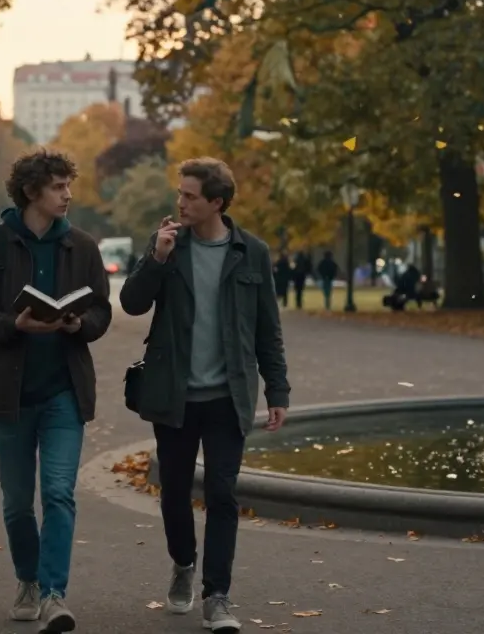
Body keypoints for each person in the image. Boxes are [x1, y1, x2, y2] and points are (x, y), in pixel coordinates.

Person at [120, 157, 291, 634]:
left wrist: (277, 389)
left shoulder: (251, 252)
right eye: (180, 193)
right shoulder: (168, 245)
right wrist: (156, 256)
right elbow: (132, 302)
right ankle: (183, 563)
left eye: (190, 196)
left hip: (227, 397)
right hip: (174, 395)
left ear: (217, 202)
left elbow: (267, 330)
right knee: (174, 492)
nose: (181, 202)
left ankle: (218, 595)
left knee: (221, 493)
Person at [0, 148, 113, 633]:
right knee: (18, 501)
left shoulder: (82, 246)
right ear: (31, 192)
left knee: (60, 493)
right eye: (58, 186)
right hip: (10, 392)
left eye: (69, 185)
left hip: (65, 389)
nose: (68, 194)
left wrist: (78, 324)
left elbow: (102, 312)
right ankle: (27, 579)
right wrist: (13, 324)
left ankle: (53, 594)